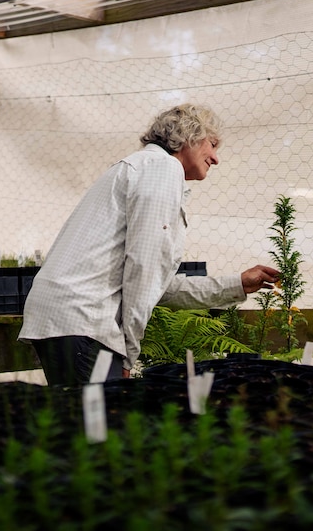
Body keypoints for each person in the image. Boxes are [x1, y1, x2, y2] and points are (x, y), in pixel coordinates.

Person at [19, 104, 280, 386]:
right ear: (189, 136)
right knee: (102, 425)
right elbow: (144, 270)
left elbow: (158, 284)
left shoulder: (142, 166)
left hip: (65, 316)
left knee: (82, 422)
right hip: (84, 319)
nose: (216, 159)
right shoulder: (162, 168)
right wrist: (129, 353)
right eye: (212, 145)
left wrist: (237, 285)